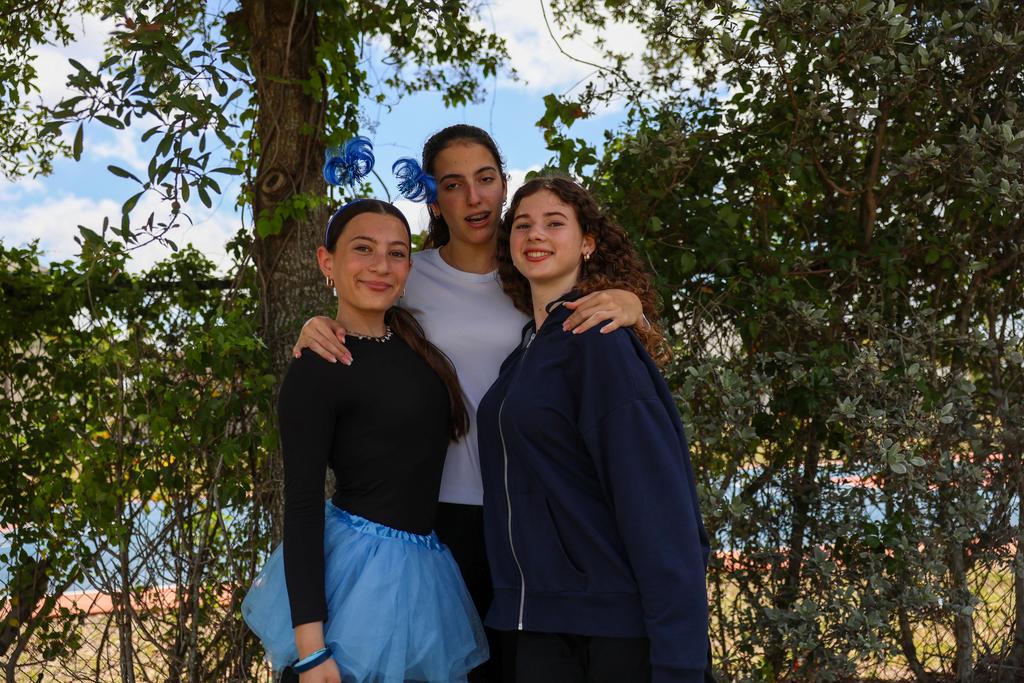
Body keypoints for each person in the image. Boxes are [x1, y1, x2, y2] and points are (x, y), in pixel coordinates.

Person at [292, 125, 647, 682]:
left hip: (535, 511)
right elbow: (360, 325)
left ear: (504, 184)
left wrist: (631, 304)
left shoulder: (533, 266)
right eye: (453, 184)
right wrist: (314, 324)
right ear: (433, 198)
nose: (473, 197)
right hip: (437, 520)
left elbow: (603, 335)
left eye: (485, 179)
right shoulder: (409, 275)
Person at [242, 195, 488, 683]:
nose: (381, 265)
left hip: (425, 569)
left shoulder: (417, 345)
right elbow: (302, 506)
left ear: (409, 267)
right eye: (363, 249)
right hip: (358, 581)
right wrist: (311, 650)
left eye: (397, 253)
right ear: (326, 262)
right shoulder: (319, 365)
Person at [477, 176, 712, 683]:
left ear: (587, 243)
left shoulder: (597, 341)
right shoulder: (525, 355)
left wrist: (681, 661)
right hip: (537, 621)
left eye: (554, 223)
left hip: (606, 631)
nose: (535, 234)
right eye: (522, 224)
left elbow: (658, 503)